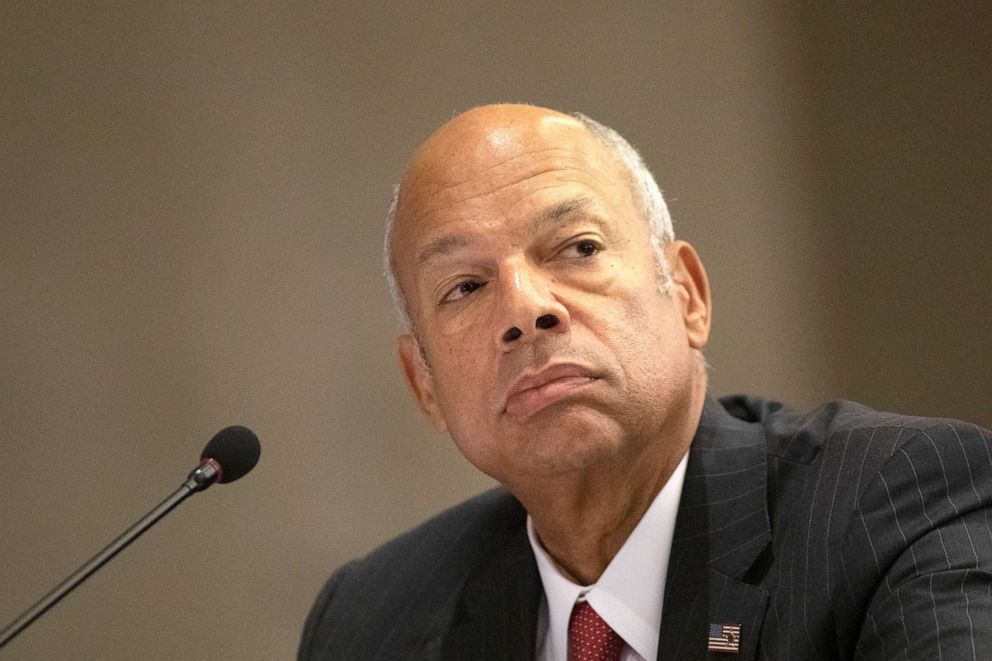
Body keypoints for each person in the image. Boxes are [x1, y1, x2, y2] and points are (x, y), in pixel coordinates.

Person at [298, 104, 992, 660]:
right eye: (466, 286)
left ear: (687, 293)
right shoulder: (372, 618)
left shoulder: (895, 503)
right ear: (424, 383)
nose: (525, 309)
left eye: (578, 247)